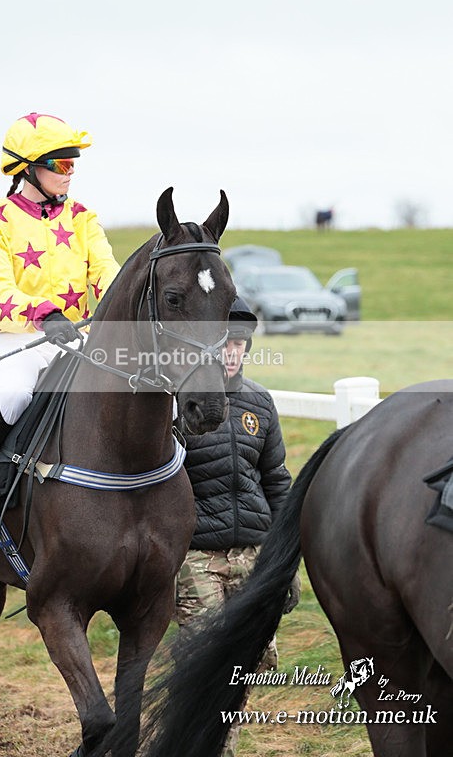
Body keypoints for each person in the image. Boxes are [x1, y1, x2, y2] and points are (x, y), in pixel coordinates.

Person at [0, 112, 121, 541]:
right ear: (27, 169)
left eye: (74, 164)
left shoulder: (83, 218)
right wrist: (43, 314)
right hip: (19, 335)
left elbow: (108, 272)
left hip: (78, 337)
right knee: (11, 395)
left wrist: (123, 305)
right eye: (61, 165)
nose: (70, 173)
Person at [175, 297, 300, 756]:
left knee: (243, 665)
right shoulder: (180, 404)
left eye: (239, 344)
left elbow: (276, 480)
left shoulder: (259, 404)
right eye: (223, 343)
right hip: (196, 556)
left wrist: (283, 564)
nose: (231, 352)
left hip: (253, 552)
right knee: (206, 660)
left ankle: (216, 742)